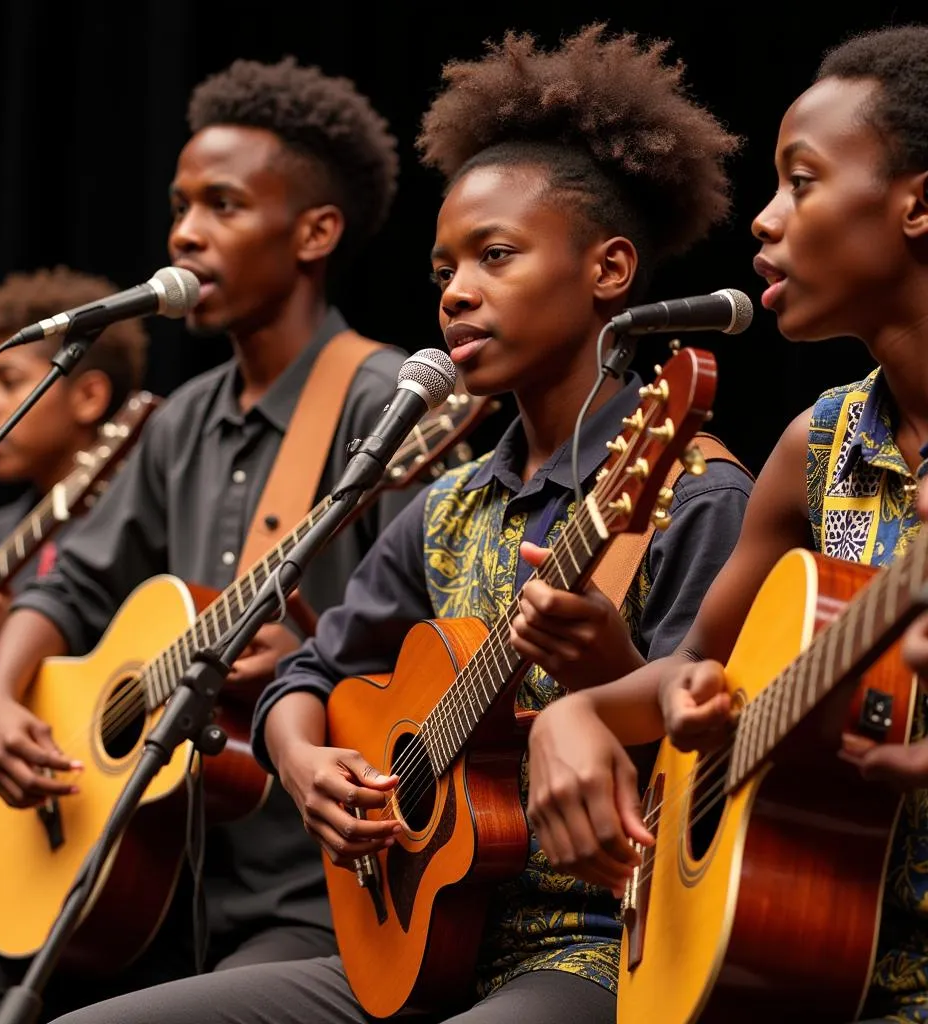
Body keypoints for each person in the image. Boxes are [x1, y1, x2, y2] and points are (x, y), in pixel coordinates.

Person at [48, 24, 753, 1024]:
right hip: (408, 935)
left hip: (597, 948)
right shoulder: (450, 501)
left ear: (609, 269)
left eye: (495, 257)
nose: (457, 291)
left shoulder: (691, 493)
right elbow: (309, 672)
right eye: (443, 270)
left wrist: (606, 667)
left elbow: (722, 771)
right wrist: (301, 759)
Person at [0, 55, 412, 1021]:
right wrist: (7, 701)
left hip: (308, 893)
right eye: (180, 205)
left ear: (315, 232)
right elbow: (70, 592)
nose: (184, 232)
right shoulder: (179, 420)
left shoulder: (386, 405)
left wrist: (317, 670)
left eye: (222, 205)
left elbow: (442, 651)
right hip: (140, 880)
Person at [523, 24, 927, 1023]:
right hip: (818, 974)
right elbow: (692, 682)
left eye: (801, 180)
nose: (763, 219)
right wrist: (577, 715)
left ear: (918, 201)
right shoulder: (815, 447)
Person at [0, 266, 147, 946]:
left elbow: (95, 726)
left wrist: (4, 659)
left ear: (90, 396)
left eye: (9, 383)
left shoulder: (129, 529)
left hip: (77, 839)